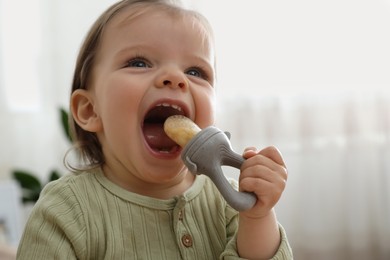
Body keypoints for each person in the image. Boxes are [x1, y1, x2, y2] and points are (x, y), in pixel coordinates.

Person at [17, 0, 293, 259]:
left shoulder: (229, 201)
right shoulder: (65, 209)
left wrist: (257, 217)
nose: (176, 78)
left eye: (196, 72)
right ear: (90, 110)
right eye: (139, 63)